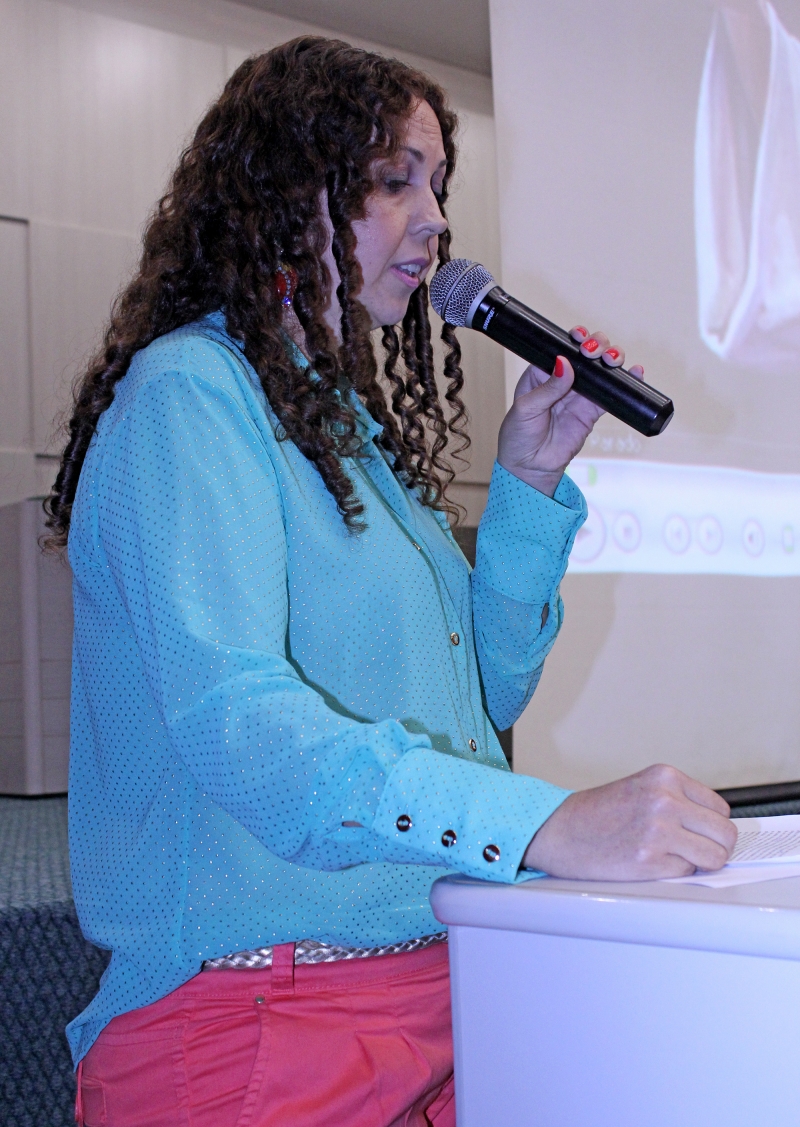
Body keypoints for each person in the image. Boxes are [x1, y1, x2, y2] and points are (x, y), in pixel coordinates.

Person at [45, 36, 737, 1127]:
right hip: (259, 1020)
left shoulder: (348, 431)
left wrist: (525, 482)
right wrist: (542, 823)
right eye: (394, 179)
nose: (435, 220)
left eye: (438, 185)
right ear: (286, 192)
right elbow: (246, 730)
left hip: (444, 988)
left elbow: (483, 700)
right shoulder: (189, 395)